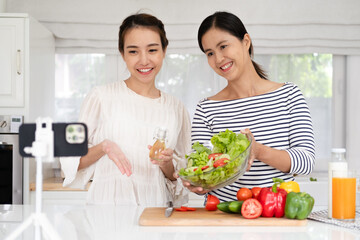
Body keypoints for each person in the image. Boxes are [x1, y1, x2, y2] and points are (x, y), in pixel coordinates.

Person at [181, 11, 315, 202]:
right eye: (210, 53)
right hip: (223, 218)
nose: (218, 59)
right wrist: (198, 183)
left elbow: (306, 162)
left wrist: (256, 150)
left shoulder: (289, 95)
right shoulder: (206, 109)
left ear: (245, 42)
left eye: (223, 46)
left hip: (276, 215)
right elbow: (203, 171)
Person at [60, 13, 191, 206]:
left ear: (164, 51)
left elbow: (179, 177)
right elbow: (68, 163)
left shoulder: (176, 108)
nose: (144, 60)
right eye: (133, 51)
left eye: (152, 50)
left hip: (154, 211)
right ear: (122, 54)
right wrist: (104, 147)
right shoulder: (100, 97)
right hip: (106, 210)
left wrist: (166, 163)